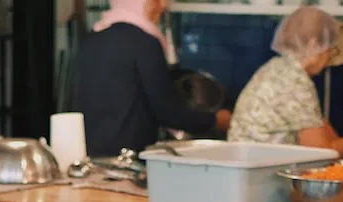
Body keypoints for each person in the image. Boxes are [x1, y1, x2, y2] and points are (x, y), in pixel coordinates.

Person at [74, 0, 231, 157]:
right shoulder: (144, 43)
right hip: (128, 160)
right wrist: (215, 121)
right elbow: (168, 112)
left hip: (91, 157)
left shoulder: (92, 40)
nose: (163, 6)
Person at [228, 6, 343, 158]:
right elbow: (321, 154)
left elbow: (316, 125)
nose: (330, 58)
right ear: (314, 44)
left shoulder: (277, 68)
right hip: (263, 176)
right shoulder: (296, 82)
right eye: (330, 49)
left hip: (248, 167)